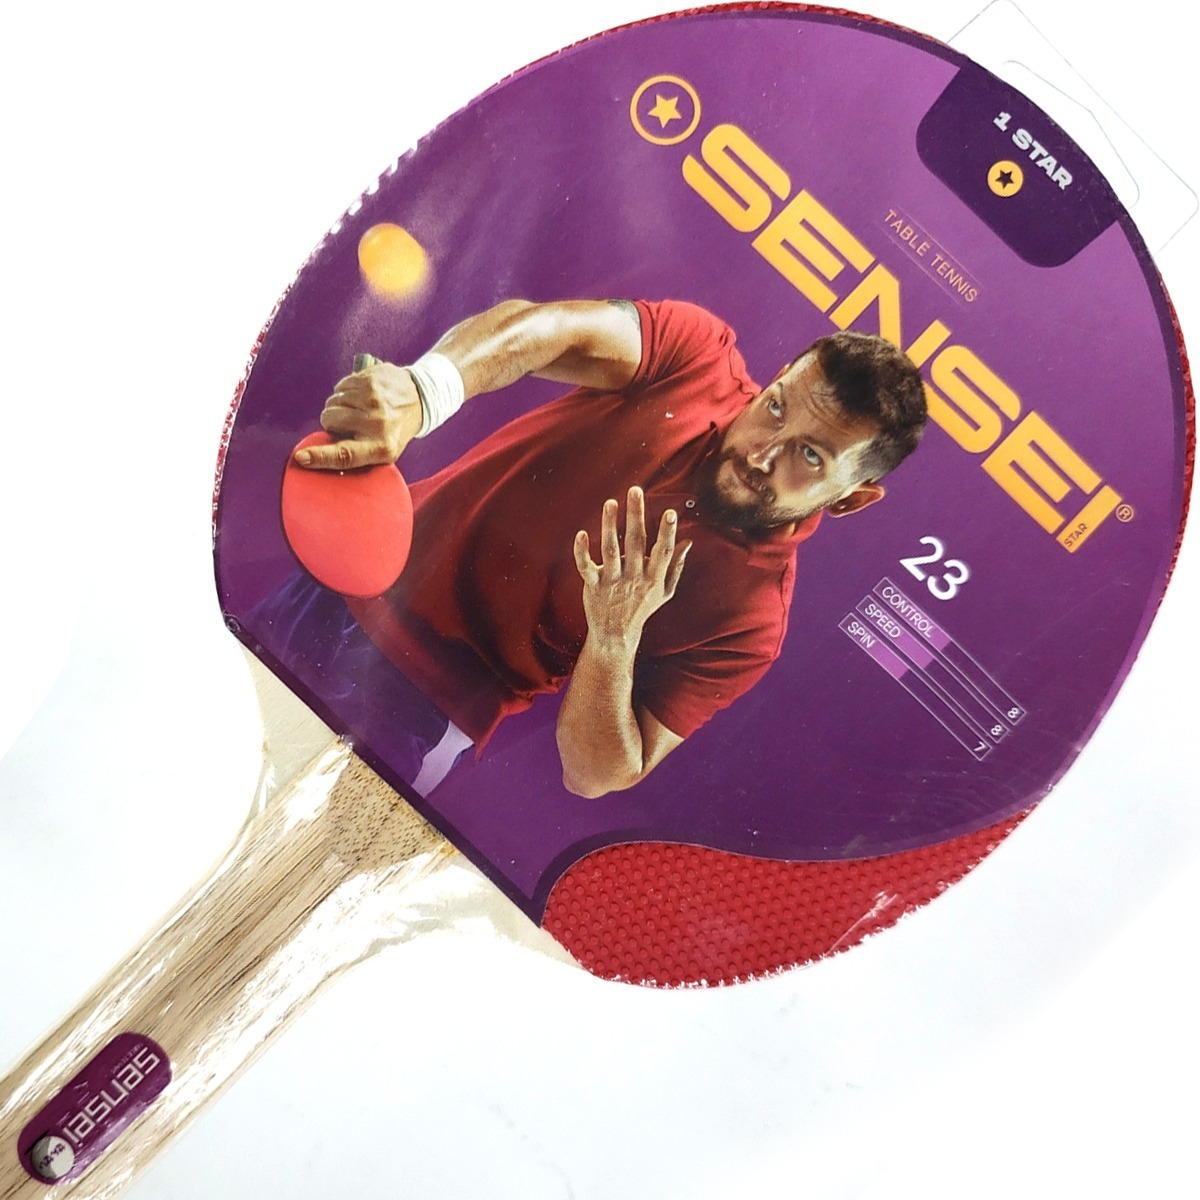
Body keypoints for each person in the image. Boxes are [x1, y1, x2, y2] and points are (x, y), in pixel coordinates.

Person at [288, 297, 926, 798]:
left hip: (420, 711)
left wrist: (614, 637)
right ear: (777, 380)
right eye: (777, 408)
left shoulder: (751, 621)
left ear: (849, 499)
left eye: (809, 456)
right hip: (334, 585)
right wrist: (425, 392)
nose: (763, 452)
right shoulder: (695, 355)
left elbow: (594, 774)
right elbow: (548, 328)